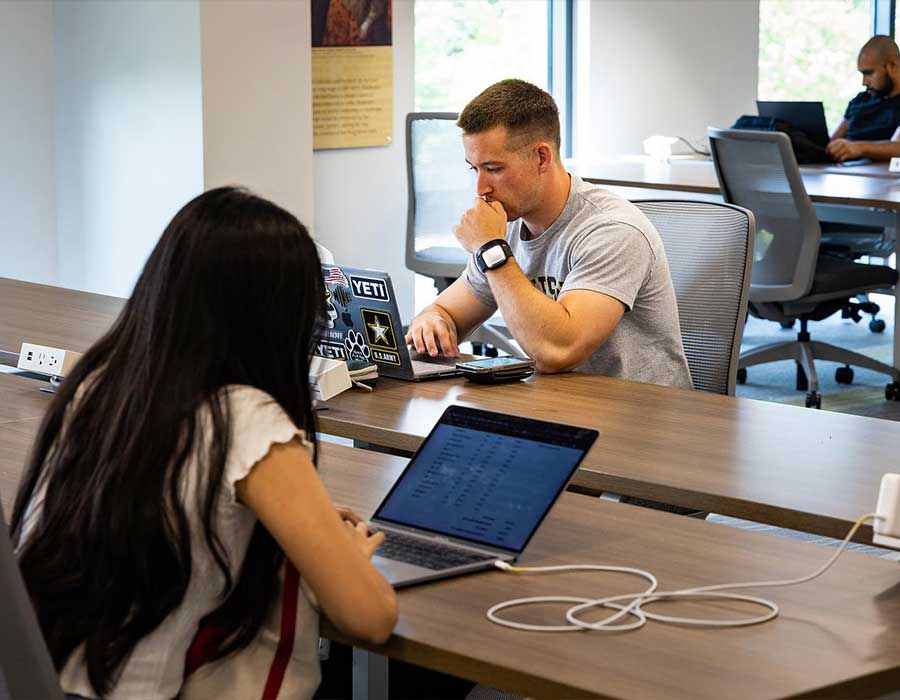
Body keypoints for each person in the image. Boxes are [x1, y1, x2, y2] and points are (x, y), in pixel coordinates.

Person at [10, 187, 397, 700]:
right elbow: (369, 618)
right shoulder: (244, 417)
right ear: (277, 319)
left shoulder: (97, 385)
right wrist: (343, 552)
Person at [405, 79, 692, 389]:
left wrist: (491, 249)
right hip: (563, 406)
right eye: (474, 169)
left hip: (643, 421)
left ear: (541, 157)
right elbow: (447, 311)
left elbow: (557, 352)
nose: (480, 189)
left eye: (494, 169)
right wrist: (432, 323)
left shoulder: (613, 230)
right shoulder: (507, 225)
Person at [828, 35, 900, 162]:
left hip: (879, 176)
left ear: (893, 65)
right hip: (844, 169)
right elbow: (832, 142)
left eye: (869, 73)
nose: (864, 82)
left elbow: (897, 147)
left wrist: (859, 148)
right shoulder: (860, 100)